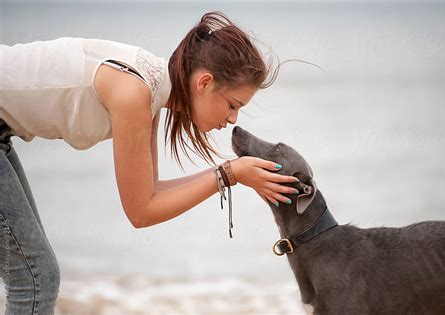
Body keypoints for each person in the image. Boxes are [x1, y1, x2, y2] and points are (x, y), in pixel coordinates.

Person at [0, 11, 299, 313]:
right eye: (232, 105)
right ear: (205, 83)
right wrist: (229, 174)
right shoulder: (135, 94)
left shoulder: (151, 88)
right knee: (37, 279)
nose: (233, 118)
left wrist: (227, 174)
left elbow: (150, 192)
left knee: (36, 275)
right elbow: (140, 212)